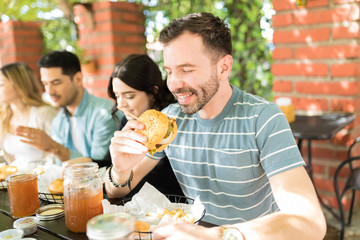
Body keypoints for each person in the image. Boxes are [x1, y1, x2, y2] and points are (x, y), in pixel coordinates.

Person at [105, 12, 327, 240]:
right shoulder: (170, 121)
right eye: (169, 71)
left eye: (187, 70)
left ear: (224, 67)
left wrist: (217, 235)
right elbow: (117, 190)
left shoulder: (264, 118)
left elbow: (310, 223)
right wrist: (120, 170)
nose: (173, 83)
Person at [15, 50, 121, 166]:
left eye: (56, 83)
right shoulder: (58, 120)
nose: (49, 91)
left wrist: (54, 147)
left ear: (78, 79)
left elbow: (99, 166)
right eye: (45, 84)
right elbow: (61, 169)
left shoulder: (104, 113)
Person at [104, 54, 183, 198]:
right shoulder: (129, 123)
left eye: (129, 96)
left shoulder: (166, 127)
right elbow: (114, 183)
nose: (120, 104)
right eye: (117, 95)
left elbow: (124, 185)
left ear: (153, 92)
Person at [0, 62, 57, 171]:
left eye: (1, 84)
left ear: (18, 84)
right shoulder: (3, 117)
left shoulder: (44, 113)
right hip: (17, 180)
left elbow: (58, 153)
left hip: (45, 179)